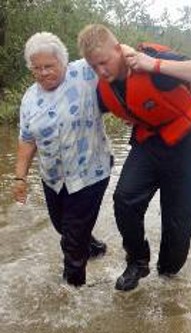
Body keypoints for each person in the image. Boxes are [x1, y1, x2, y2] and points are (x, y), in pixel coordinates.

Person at [77, 24, 191, 291]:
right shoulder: (104, 86)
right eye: (94, 67)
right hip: (150, 143)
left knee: (177, 233)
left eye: (104, 62)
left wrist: (154, 64)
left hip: (187, 144)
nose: (101, 71)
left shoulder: (151, 61)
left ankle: (168, 276)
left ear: (118, 50)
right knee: (124, 199)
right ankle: (137, 261)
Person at [12, 32, 112, 287]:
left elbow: (115, 59)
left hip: (90, 172)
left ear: (63, 62)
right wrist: (20, 177)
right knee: (63, 227)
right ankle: (95, 248)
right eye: (37, 68)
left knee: (71, 240)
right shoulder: (29, 99)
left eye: (49, 66)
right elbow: (27, 139)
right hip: (53, 177)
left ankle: (72, 293)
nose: (43, 72)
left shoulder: (85, 73)